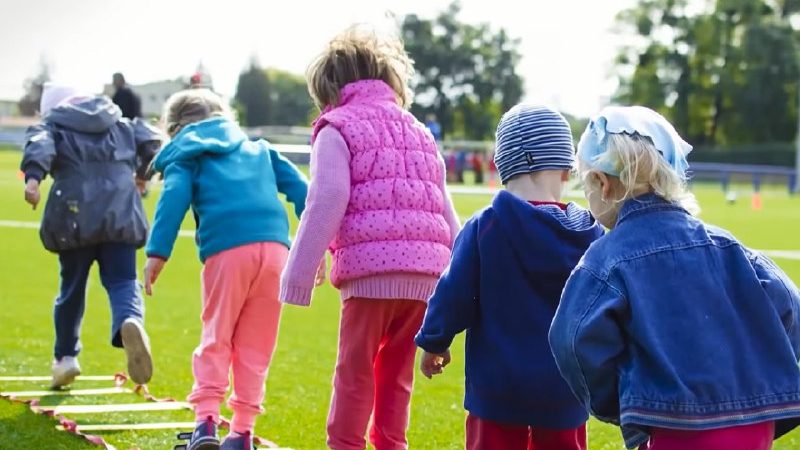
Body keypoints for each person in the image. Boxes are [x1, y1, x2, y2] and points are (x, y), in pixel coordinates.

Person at [549, 106, 800, 450]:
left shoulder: (607, 258)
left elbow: (572, 339)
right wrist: (763, 361)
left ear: (602, 184)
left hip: (680, 428)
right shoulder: (726, 244)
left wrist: (619, 402)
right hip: (756, 425)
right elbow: (790, 305)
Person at [279, 26, 460, 450]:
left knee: (354, 372)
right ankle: (391, 445)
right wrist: (458, 282)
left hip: (370, 274)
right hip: (425, 280)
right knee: (395, 376)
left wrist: (299, 272)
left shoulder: (336, 126)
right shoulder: (419, 130)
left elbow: (328, 196)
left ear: (330, 86)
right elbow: (443, 207)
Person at [415, 104, 603, 450]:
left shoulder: (486, 226)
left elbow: (454, 292)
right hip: (566, 387)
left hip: (497, 385)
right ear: (566, 169)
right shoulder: (590, 235)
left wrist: (435, 340)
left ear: (501, 166)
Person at [143, 89, 308, 450]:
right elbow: (304, 192)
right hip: (277, 249)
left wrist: (157, 253)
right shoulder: (260, 149)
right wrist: (315, 245)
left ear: (174, 128)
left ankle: (205, 423)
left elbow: (173, 200)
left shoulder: (188, 155)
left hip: (228, 250)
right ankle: (242, 432)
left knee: (217, 336)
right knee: (256, 345)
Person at [20, 82, 161, 388]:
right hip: (122, 213)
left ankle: (66, 358)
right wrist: (142, 173)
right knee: (123, 281)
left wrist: (33, 179)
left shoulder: (54, 126)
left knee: (71, 289)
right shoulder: (119, 122)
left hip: (74, 216)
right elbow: (151, 140)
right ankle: (129, 319)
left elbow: (40, 144)